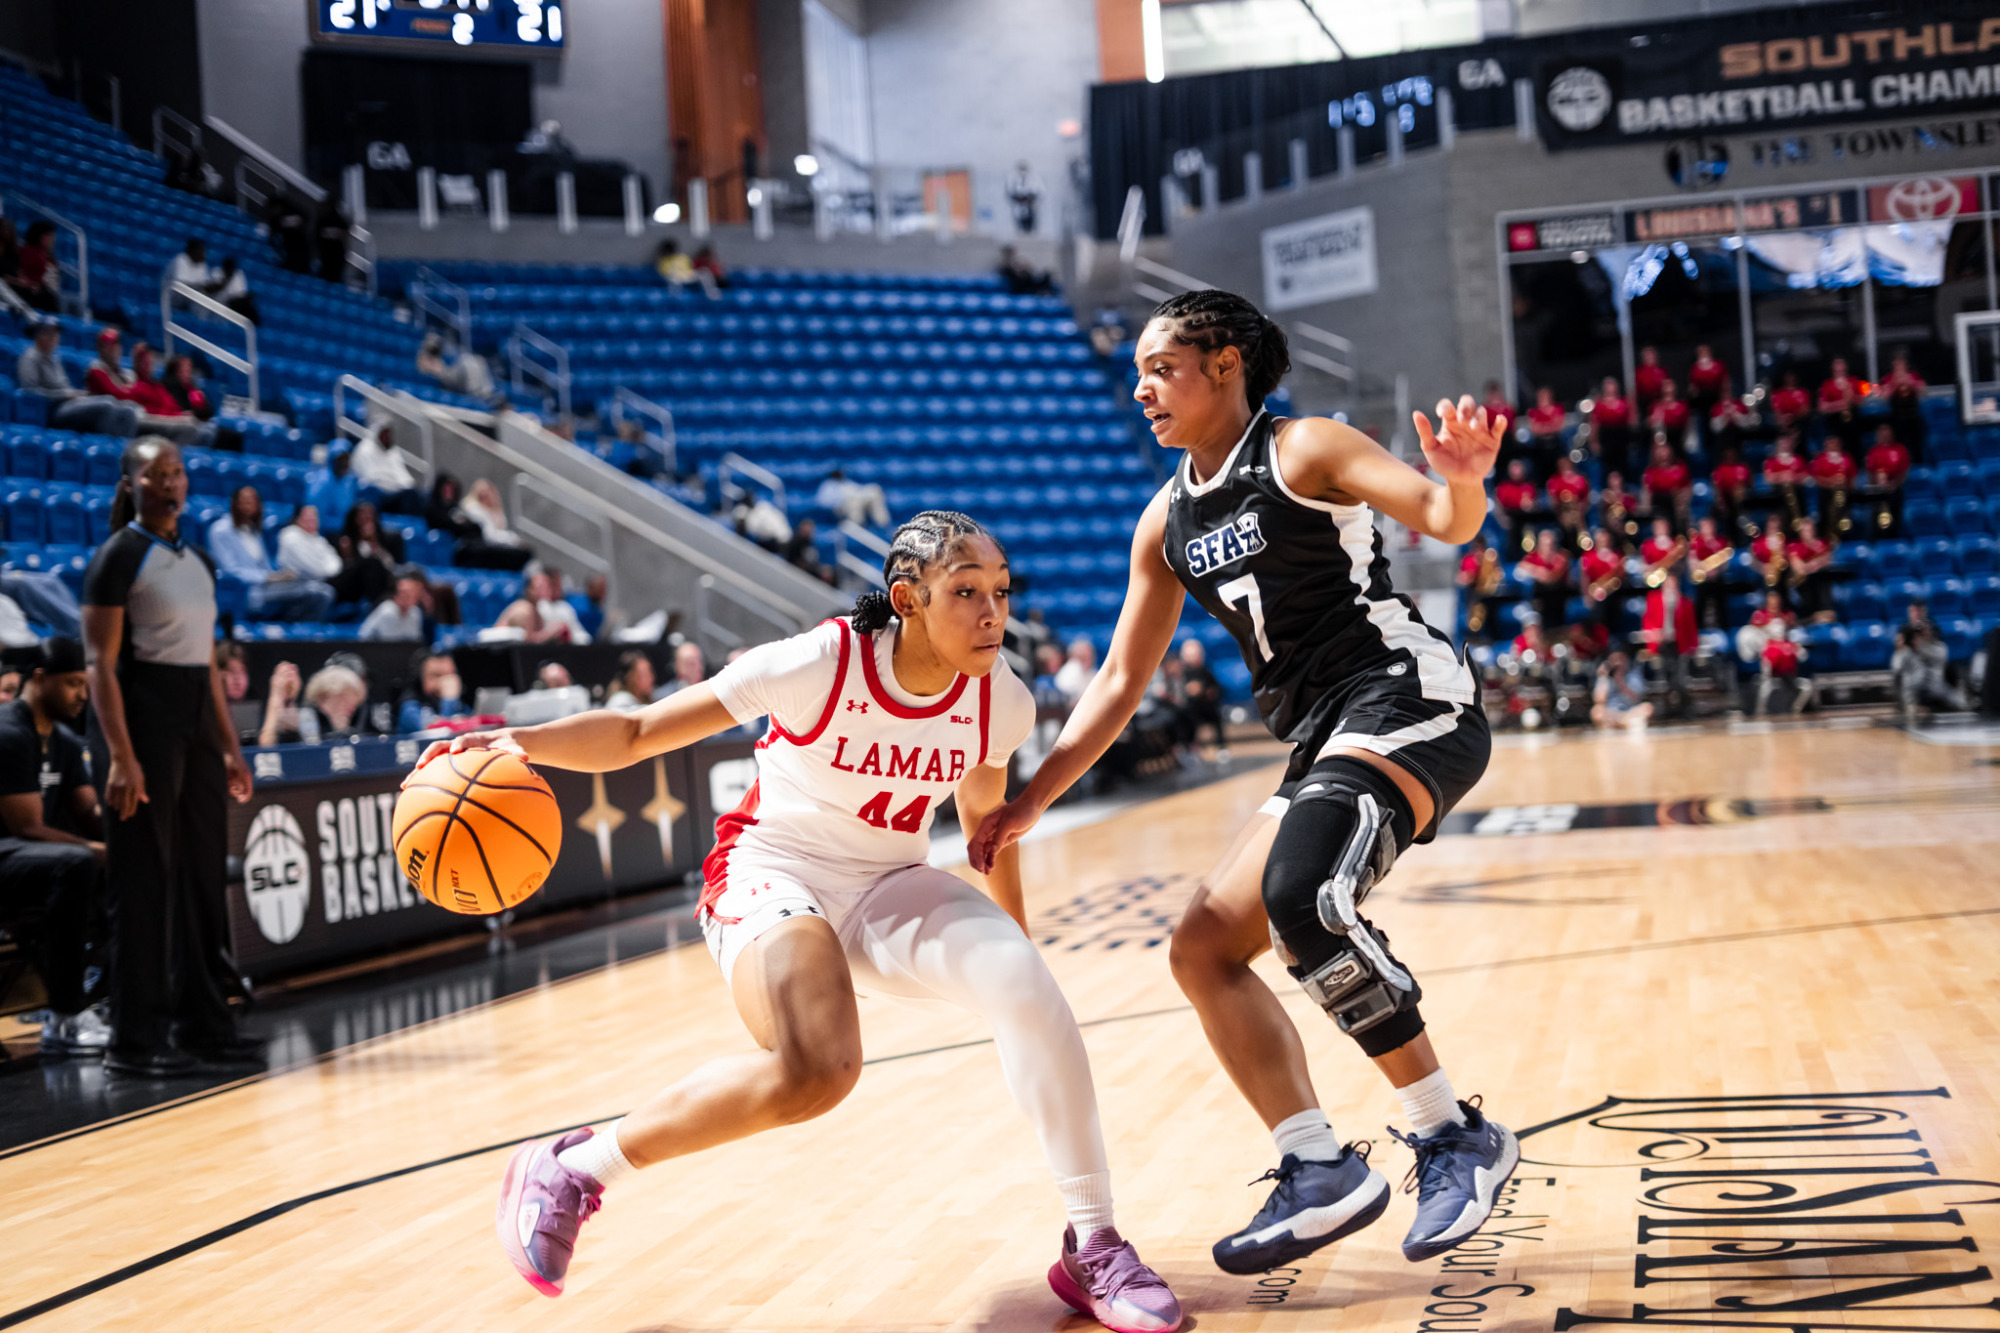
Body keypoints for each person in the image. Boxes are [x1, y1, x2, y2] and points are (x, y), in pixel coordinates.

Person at [421, 511, 1183, 1330]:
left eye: (1000, 591)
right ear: (908, 598)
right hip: (769, 870)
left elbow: (984, 821)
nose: (992, 611)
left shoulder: (1002, 700)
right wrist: (513, 740)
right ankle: (575, 1165)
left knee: (1026, 985)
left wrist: (1015, 944)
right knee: (817, 1071)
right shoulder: (821, 663)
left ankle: (1094, 1242)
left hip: (887, 882)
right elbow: (640, 731)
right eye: (966, 592)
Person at [969, 291, 1517, 1276]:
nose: (1139, 388)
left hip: (1404, 699)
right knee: (1202, 947)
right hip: (1321, 736)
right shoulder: (1163, 519)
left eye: (1160, 367)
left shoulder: (1304, 447)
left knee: (1300, 894)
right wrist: (1031, 799)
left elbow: (1445, 516)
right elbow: (1118, 681)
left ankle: (1448, 1132)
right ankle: (1314, 1164)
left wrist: (1465, 480)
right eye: (1136, 371)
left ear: (1224, 364)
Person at [82, 437, 257, 1077]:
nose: (171, 483)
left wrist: (231, 748)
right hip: (143, 719)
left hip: (196, 722)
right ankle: (134, 1041)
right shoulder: (117, 557)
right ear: (131, 483)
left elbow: (208, 664)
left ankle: (206, 1025)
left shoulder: (199, 560)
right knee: (146, 883)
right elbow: (99, 665)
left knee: (203, 878)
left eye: (178, 472)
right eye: (157, 475)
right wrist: (121, 758)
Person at [0, 638, 111, 1056]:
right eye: (73, 683)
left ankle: (119, 994)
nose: (83, 695)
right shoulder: (9, 733)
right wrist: (97, 848)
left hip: (32, 859)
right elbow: (27, 827)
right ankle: (65, 1018)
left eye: (85, 684)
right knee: (77, 862)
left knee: (130, 861)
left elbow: (89, 813)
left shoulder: (63, 740)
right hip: (7, 852)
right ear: (41, 679)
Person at [208, 485, 336, 623]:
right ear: (234, 502)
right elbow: (230, 570)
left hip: (266, 587)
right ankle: (302, 637)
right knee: (319, 594)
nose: (249, 504)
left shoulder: (253, 530)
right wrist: (267, 577)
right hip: (247, 592)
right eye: (244, 500)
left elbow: (264, 566)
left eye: (253, 500)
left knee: (321, 589)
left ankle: (301, 634)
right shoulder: (220, 530)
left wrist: (281, 575)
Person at [15, 320, 141, 435]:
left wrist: (74, 394)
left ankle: (123, 446)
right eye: (48, 332)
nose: (54, 337)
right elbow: (30, 392)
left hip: (69, 403)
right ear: (39, 335)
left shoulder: (54, 359)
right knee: (107, 403)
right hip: (53, 409)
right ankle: (107, 443)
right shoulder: (30, 357)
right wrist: (65, 394)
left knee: (127, 409)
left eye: (55, 333)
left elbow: (64, 387)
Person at [1892, 602, 1965, 718]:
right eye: (1922, 633)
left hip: (1936, 687)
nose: (1926, 633)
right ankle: (1908, 705)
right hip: (1915, 688)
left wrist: (1920, 646)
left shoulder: (1939, 647)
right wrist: (1901, 648)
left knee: (1958, 700)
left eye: (1928, 630)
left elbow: (1940, 655)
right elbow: (1896, 666)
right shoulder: (1906, 652)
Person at [333, 502, 406, 606]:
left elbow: (396, 566)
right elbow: (347, 574)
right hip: (360, 589)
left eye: (369, 517)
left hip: (388, 581)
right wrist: (348, 555)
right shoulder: (347, 543)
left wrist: (376, 547)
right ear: (354, 520)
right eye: (362, 517)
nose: (366, 521)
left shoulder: (391, 540)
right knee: (372, 564)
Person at [497, 568, 589, 644]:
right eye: (540, 587)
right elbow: (526, 642)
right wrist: (550, 632)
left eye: (546, 586)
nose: (544, 590)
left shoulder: (538, 611)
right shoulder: (524, 610)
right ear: (530, 590)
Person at [350, 424, 426, 514]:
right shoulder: (365, 449)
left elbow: (402, 475)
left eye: (389, 434)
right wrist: (388, 486)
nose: (387, 437)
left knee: (415, 495)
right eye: (385, 434)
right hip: (377, 492)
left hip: (394, 492)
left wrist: (410, 487)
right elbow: (369, 478)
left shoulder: (393, 452)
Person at [397, 651, 467, 734]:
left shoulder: (458, 703)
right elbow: (441, 735)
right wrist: (449, 700)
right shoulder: (410, 709)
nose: (446, 682)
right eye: (437, 675)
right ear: (420, 679)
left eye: (450, 675)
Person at [1518, 527, 1572, 633]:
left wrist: (1537, 572)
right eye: (1545, 544)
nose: (1548, 548)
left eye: (1550, 544)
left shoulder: (1560, 557)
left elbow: (1551, 577)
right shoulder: (1534, 556)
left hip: (1558, 598)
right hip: (1540, 598)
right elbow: (1521, 566)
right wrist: (1537, 570)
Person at [1786, 516, 1836, 624]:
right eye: (1805, 530)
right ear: (1800, 532)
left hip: (1821, 582)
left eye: (1810, 529)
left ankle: (1825, 613)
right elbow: (1797, 565)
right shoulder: (1795, 546)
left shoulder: (1822, 543)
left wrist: (1816, 563)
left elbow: (1828, 559)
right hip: (1803, 584)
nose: (1809, 532)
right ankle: (1809, 618)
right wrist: (1812, 565)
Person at [1177, 638, 1224, 751]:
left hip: (1206, 705)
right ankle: (1188, 746)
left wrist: (1205, 690)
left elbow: (1216, 689)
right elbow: (1178, 691)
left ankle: (1221, 746)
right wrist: (1189, 690)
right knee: (1183, 715)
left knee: (1216, 715)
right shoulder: (1182, 672)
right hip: (1189, 707)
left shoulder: (1205, 671)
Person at [1863, 424, 1911, 537]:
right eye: (1881, 433)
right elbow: (1870, 470)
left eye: (1887, 433)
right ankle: (1877, 543)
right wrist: (1877, 482)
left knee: (1894, 519)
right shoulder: (1873, 451)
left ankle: (1893, 542)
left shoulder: (1900, 450)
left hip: (1894, 490)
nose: (1884, 436)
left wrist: (1894, 484)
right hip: (1877, 491)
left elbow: (1904, 471)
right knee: (1876, 518)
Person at [1879, 352, 1927, 463]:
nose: (1899, 367)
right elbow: (1883, 397)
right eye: (1897, 365)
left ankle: (1918, 464)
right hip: (1897, 417)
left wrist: (1911, 382)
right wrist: (1894, 384)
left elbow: (1924, 391)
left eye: (1901, 364)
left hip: (1913, 415)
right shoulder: (1889, 378)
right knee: (1899, 445)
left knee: (1916, 444)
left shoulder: (1913, 376)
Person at [1688, 515, 1733, 631]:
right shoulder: (1696, 542)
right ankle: (1699, 629)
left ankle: (1724, 629)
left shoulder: (1721, 541)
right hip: (1703, 578)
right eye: (1704, 526)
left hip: (1717, 578)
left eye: (1710, 525)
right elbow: (1692, 562)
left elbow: (1726, 561)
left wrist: (1717, 570)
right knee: (1700, 599)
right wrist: (1704, 568)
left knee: (1722, 599)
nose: (1707, 528)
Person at [276, 504, 343, 583]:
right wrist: (329, 570)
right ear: (297, 519)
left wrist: (330, 571)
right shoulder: (290, 536)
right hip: (299, 585)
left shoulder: (318, 539)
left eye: (314, 516)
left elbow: (336, 561)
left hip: (324, 581)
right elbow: (315, 570)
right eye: (308, 517)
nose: (312, 519)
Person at [359, 569, 430, 642]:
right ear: (397, 593)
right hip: (368, 650)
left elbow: (414, 643)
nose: (409, 596)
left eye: (414, 593)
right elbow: (392, 648)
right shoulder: (388, 611)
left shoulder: (415, 612)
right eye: (405, 593)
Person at [1590, 650, 1651, 730]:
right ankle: (1625, 723)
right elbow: (1599, 701)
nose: (1617, 663)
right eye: (1614, 660)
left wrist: (1621, 683)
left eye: (1619, 660)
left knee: (1648, 707)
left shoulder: (1633, 676)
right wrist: (1602, 678)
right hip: (1612, 713)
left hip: (1629, 711)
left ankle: (1621, 723)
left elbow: (1636, 699)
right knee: (1596, 712)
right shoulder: (1605, 679)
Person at [1810, 436, 1857, 537]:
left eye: (1835, 444)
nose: (1833, 446)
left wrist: (1843, 484)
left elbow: (1852, 479)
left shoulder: (1846, 458)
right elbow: (1816, 479)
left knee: (1841, 495)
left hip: (1844, 495)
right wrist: (1831, 482)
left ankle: (1840, 530)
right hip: (1826, 495)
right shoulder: (1820, 459)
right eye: (1830, 444)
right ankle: (1830, 533)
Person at [814, 466, 890, 528]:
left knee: (875, 492)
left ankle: (883, 525)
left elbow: (859, 491)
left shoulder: (846, 483)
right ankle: (858, 526)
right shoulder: (827, 485)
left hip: (855, 503)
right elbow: (822, 502)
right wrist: (840, 502)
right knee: (853, 501)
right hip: (839, 510)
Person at [306, 446, 359, 531]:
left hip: (344, 529)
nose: (344, 463)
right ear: (332, 460)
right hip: (325, 531)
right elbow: (316, 516)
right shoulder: (322, 482)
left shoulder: (348, 481)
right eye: (340, 460)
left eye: (346, 459)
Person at [1588, 376, 1634, 474]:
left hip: (1621, 437)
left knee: (1623, 466)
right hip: (1606, 437)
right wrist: (1594, 441)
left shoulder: (1623, 403)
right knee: (1606, 467)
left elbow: (1630, 420)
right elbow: (1594, 423)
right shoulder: (1599, 404)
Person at [11, 220, 60, 311]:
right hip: (26, 295)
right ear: (40, 237)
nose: (53, 240)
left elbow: (53, 286)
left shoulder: (52, 261)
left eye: (53, 236)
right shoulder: (25, 252)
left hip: (44, 297)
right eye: (49, 236)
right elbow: (19, 276)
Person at [214, 257, 261, 325]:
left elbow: (242, 292)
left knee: (249, 303)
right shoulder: (217, 272)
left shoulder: (239, 274)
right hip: (226, 302)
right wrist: (227, 279)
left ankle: (255, 326)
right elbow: (219, 291)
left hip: (239, 301)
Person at [1053, 637, 1097, 704]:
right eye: (1081, 657)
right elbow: (1068, 693)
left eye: (1088, 656)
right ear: (1072, 656)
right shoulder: (1067, 672)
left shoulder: (1093, 673)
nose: (1087, 660)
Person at [1007, 159, 1043, 234]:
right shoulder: (1013, 179)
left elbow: (1040, 191)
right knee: (1019, 224)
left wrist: (1031, 199)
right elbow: (1010, 192)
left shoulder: (1034, 178)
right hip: (1019, 205)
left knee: (1030, 224)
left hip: (1030, 205)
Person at [1632, 345, 1665, 416]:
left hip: (1659, 402)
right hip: (1643, 402)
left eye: (1652, 355)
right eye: (1647, 355)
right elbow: (1635, 388)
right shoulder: (1638, 372)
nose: (1650, 357)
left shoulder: (1662, 371)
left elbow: (1666, 386)